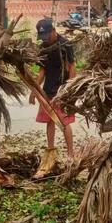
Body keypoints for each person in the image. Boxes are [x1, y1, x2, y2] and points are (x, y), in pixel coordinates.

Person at [29, 18, 76, 159]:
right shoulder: (43, 48)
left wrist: (70, 89)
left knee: (64, 122)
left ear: (54, 31)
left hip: (62, 90)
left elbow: (72, 66)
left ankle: (70, 154)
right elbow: (42, 71)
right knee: (50, 120)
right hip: (48, 91)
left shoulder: (65, 45)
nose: (45, 39)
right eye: (42, 37)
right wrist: (34, 90)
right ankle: (50, 151)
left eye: (47, 36)